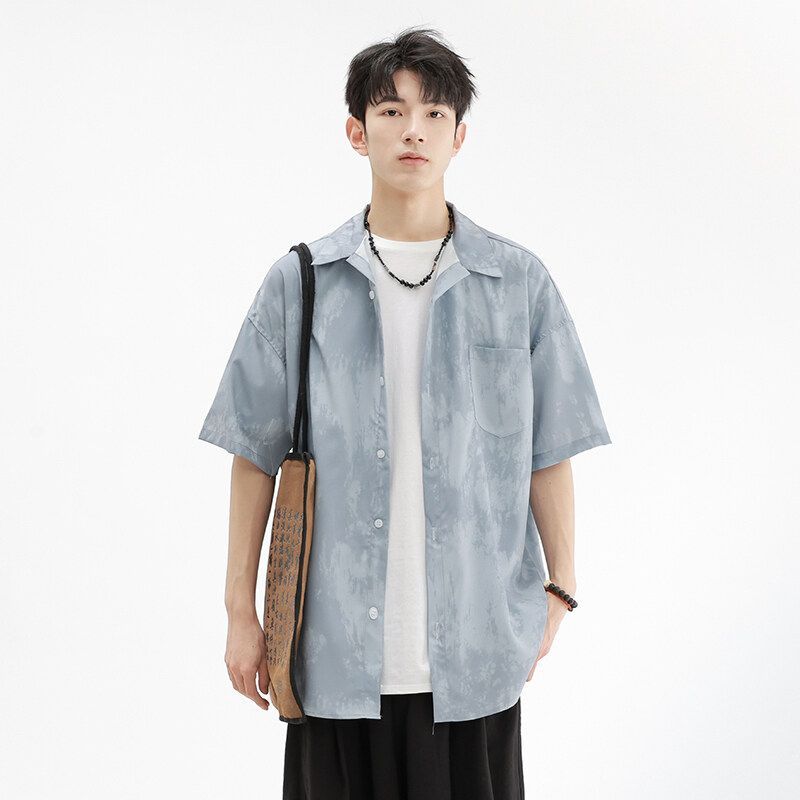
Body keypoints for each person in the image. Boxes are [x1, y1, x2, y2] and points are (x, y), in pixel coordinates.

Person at [198, 26, 611, 800]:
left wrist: (560, 590)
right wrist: (239, 612)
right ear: (356, 132)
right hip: (332, 658)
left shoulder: (518, 284)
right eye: (391, 111)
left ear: (460, 136)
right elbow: (253, 455)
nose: (413, 130)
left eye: (433, 114)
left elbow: (550, 450)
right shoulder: (299, 284)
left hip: (476, 662)